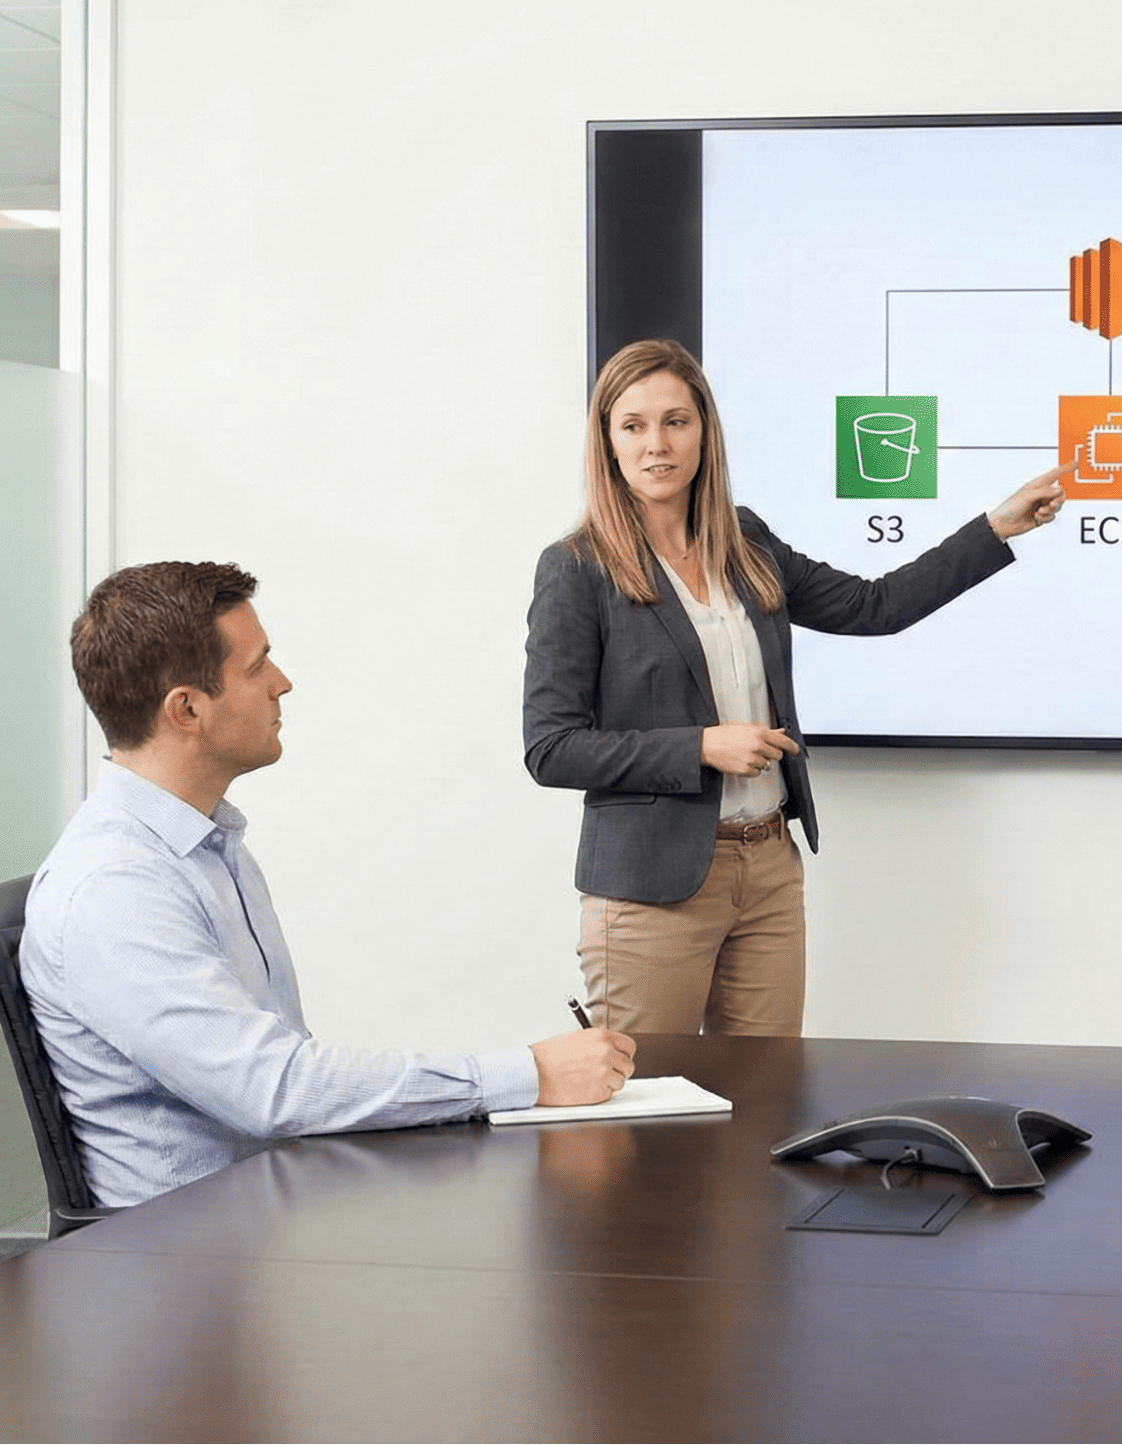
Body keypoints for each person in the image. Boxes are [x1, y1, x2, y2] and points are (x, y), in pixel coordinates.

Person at [22, 561, 636, 1210]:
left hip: (271, 1210)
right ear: (188, 708)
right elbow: (277, 1089)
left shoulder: (207, 844)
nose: (281, 683)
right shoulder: (112, 889)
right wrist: (529, 1074)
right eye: (258, 667)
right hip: (189, 1263)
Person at [524, 339, 1067, 1038]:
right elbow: (552, 748)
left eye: (675, 421)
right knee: (646, 1113)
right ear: (607, 441)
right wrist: (699, 746)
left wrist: (994, 527)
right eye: (633, 426)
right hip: (650, 887)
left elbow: (875, 606)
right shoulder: (576, 569)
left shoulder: (744, 540)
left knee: (764, 1107)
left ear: (704, 431)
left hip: (768, 870)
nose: (657, 444)